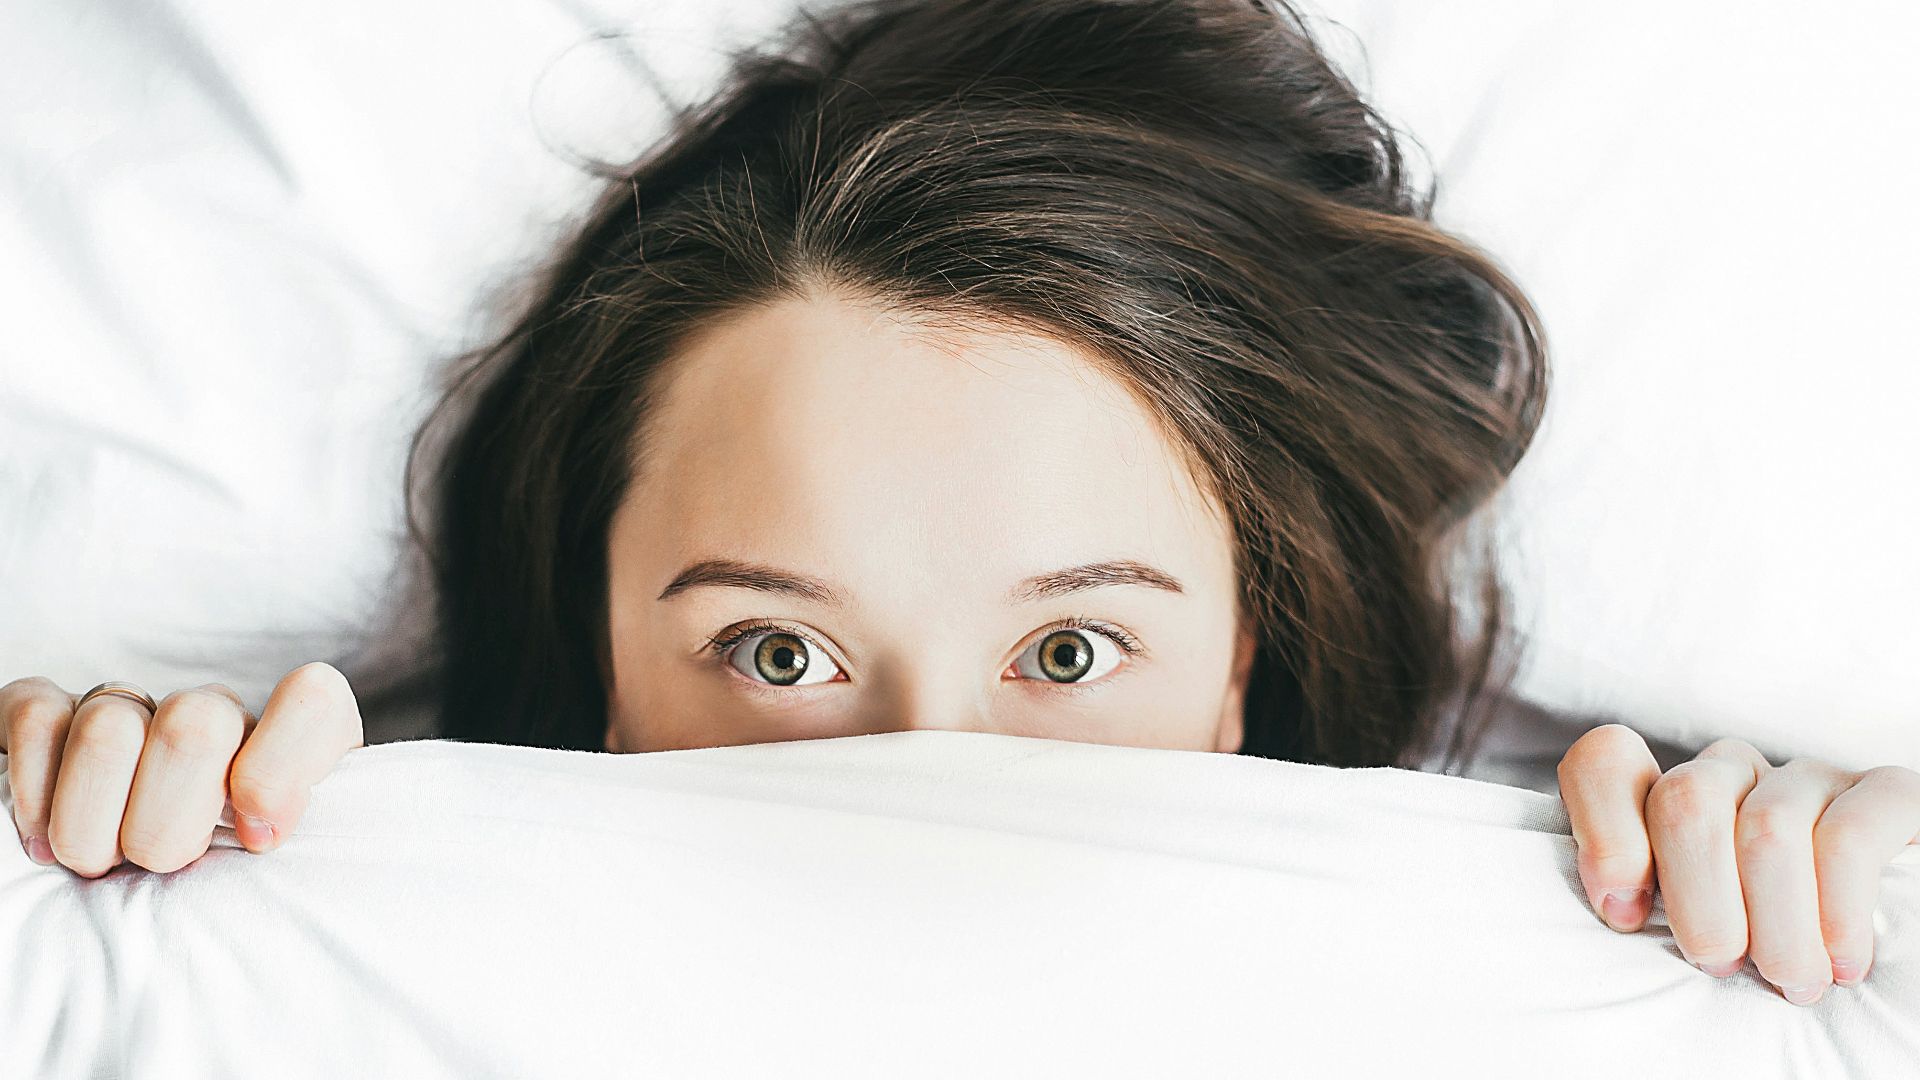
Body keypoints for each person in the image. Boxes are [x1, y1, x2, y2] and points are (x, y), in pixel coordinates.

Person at [1, 0, 1914, 1011]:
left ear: (1246, 662)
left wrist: (1850, 899)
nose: (927, 777)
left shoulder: (1591, 939)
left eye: (1072, 649)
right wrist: (84, 838)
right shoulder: (299, 936)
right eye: (777, 649)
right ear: (596, 662)